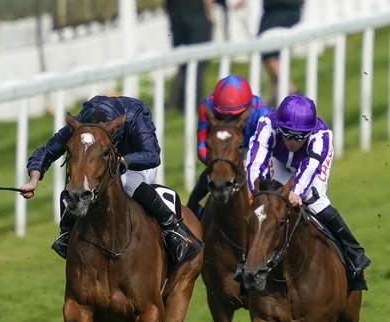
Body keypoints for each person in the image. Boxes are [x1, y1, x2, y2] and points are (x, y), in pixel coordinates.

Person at [19, 95, 203, 265]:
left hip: (137, 163)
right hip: (99, 162)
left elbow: (152, 155)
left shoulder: (135, 115)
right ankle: (67, 233)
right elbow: (46, 151)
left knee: (127, 183)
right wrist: (34, 179)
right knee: (75, 187)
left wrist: (124, 161)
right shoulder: (83, 123)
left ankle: (173, 228)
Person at [238, 93, 370, 285]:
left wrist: (298, 192)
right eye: (287, 133)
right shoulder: (266, 124)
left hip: (308, 163)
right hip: (279, 160)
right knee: (266, 207)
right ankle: (247, 259)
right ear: (279, 126)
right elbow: (257, 160)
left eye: (300, 136)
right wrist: (257, 190)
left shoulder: (322, 136)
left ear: (309, 132)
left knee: (314, 201)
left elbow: (310, 167)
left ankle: (354, 253)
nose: (293, 141)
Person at [186, 74, 271, 217]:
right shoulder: (207, 106)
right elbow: (201, 147)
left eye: (235, 116)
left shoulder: (262, 112)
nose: (228, 120)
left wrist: (251, 164)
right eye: (222, 115)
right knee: (194, 199)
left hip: (253, 151)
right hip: (221, 154)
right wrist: (219, 162)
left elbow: (269, 150)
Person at [165, 0, 213, 110]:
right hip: (195, 11)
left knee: (183, 61)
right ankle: (191, 103)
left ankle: (177, 102)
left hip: (176, 9)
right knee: (198, 61)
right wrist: (208, 10)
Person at [258, 0, 304, 106]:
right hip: (287, 8)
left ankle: (291, 92)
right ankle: (279, 95)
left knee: (268, 52)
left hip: (278, 9)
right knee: (275, 54)